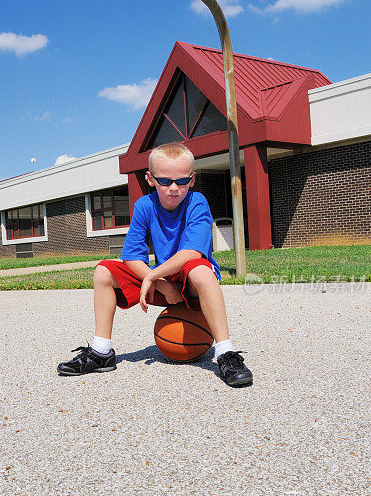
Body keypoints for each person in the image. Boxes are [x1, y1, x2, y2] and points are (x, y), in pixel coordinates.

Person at [57, 142, 252, 386]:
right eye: (165, 181)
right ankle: (101, 352)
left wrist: (152, 276)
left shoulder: (197, 202)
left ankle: (226, 353)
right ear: (150, 179)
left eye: (181, 181)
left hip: (191, 283)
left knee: (201, 270)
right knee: (104, 270)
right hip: (164, 283)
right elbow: (131, 257)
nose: (174, 188)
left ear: (192, 179)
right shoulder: (144, 206)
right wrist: (159, 282)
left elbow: (192, 253)